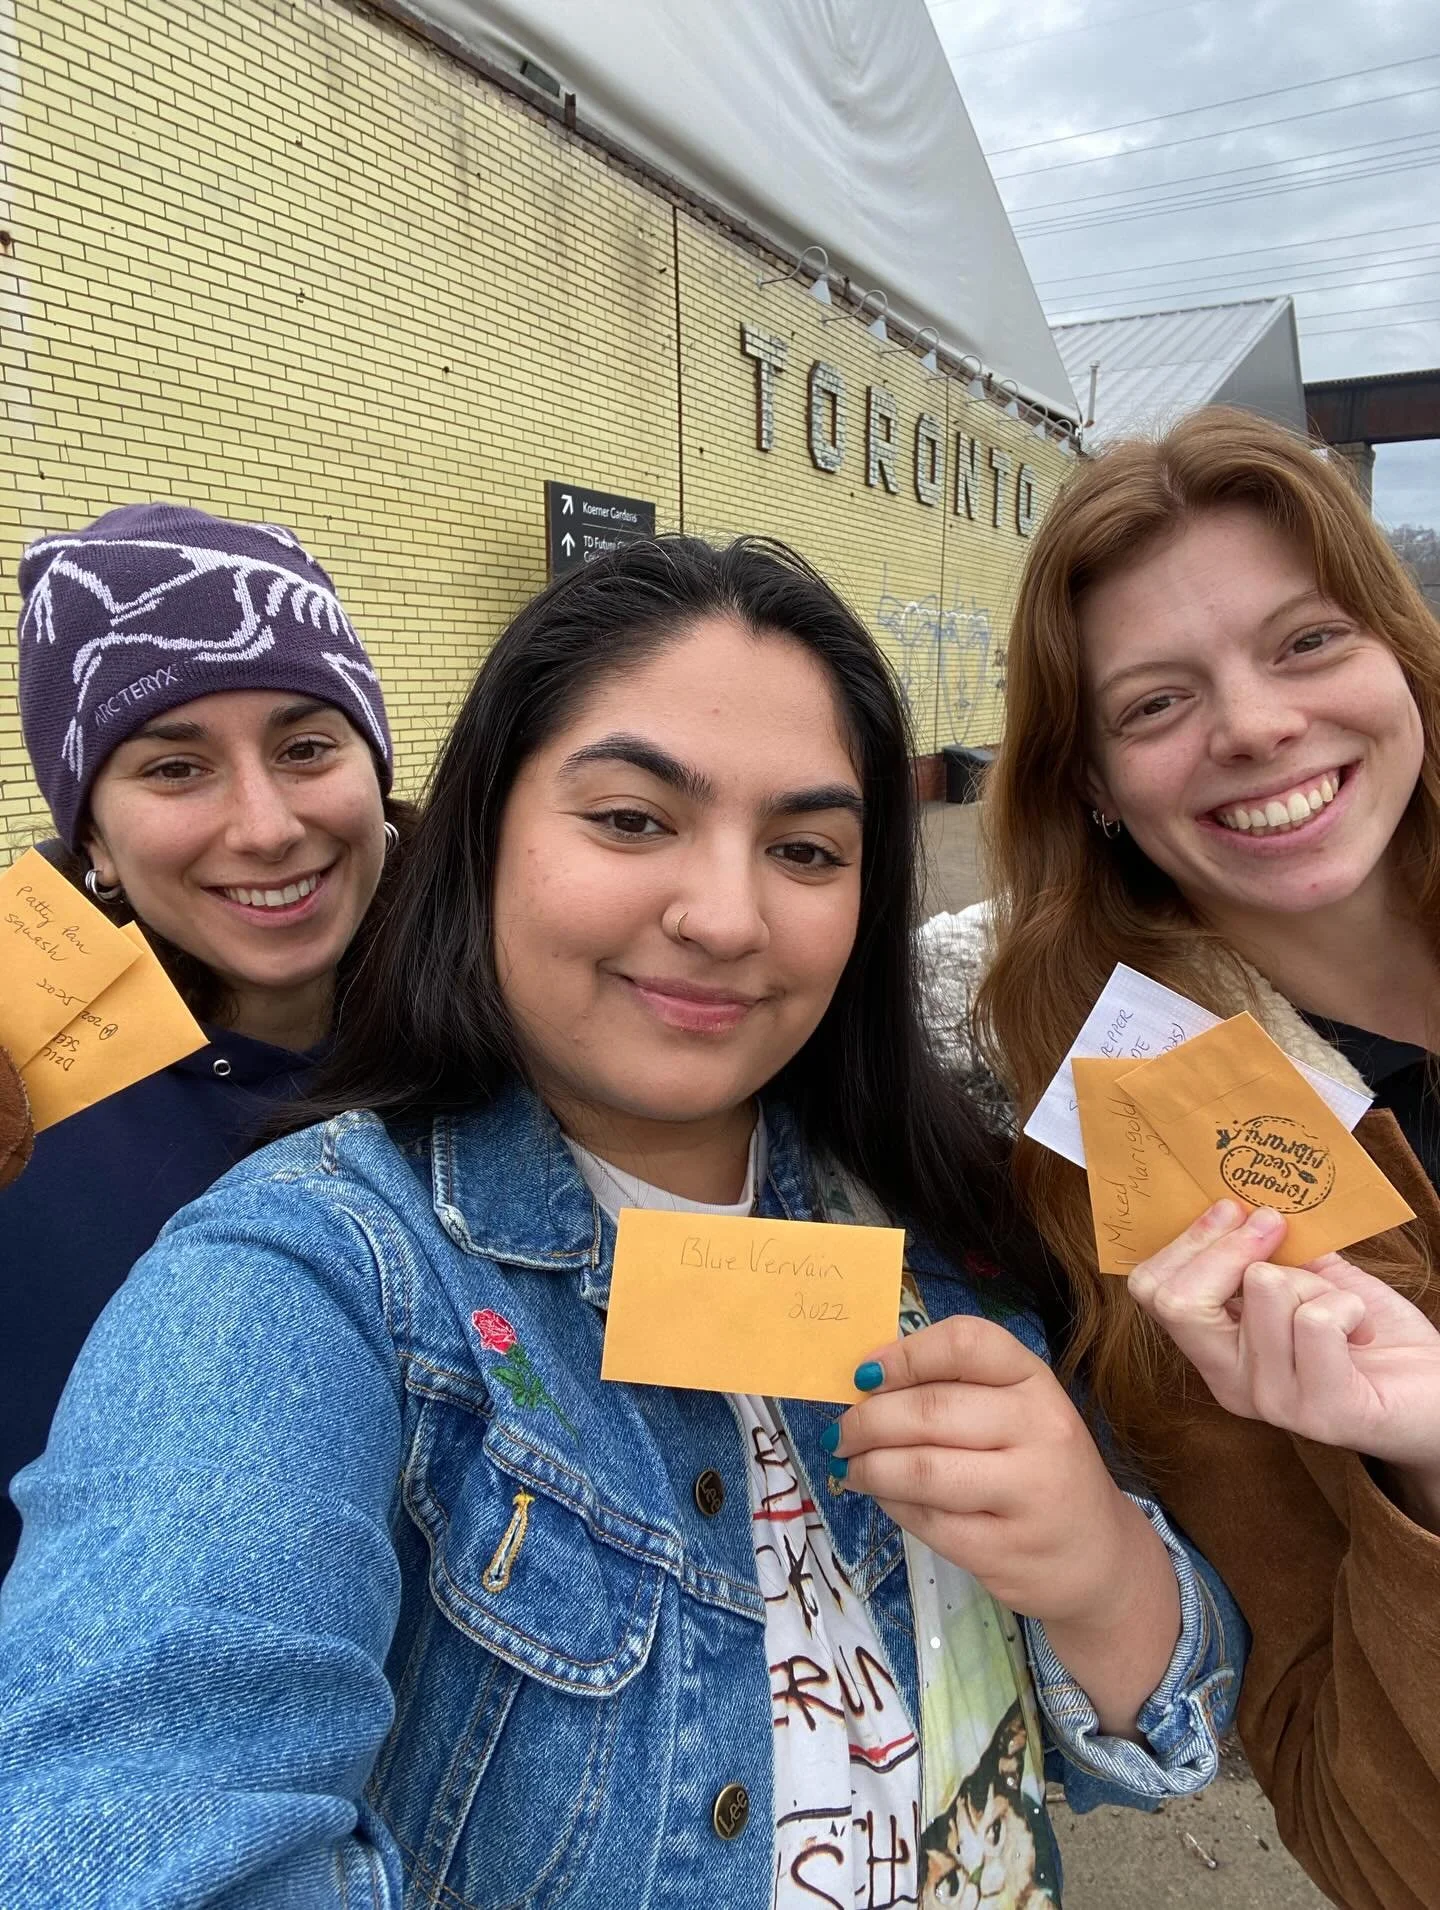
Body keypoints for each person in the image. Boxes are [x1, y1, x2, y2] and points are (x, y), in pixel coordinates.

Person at [0, 537, 1242, 1909]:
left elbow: (1164, 1728)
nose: (724, 916)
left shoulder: (945, 1214)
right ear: (482, 834)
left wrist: (1106, 1573)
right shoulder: (313, 1273)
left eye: (805, 848)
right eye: (633, 820)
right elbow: (131, 1817)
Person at [921, 407, 1440, 1910]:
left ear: (1402, 655)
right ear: (1090, 781)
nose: (1257, 725)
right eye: (1156, 702)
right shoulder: (1132, 1135)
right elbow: (1367, 1835)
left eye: (1307, 641)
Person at [0, 502, 407, 1576]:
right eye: (176, 768)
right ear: (94, 836)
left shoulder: (509, 1030)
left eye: (306, 747)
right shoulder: (24, 1096)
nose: (267, 826)